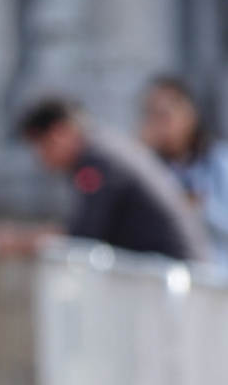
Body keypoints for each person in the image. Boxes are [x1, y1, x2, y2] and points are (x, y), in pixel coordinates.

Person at [16, 96, 210, 261]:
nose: (41, 159)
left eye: (42, 147)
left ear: (59, 133)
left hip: (171, 277)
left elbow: (84, 236)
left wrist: (23, 242)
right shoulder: (102, 150)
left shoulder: (97, 161)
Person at [140, 75, 228, 264]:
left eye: (165, 115)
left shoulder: (219, 162)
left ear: (189, 115)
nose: (159, 126)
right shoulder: (147, 166)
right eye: (151, 116)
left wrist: (199, 207)